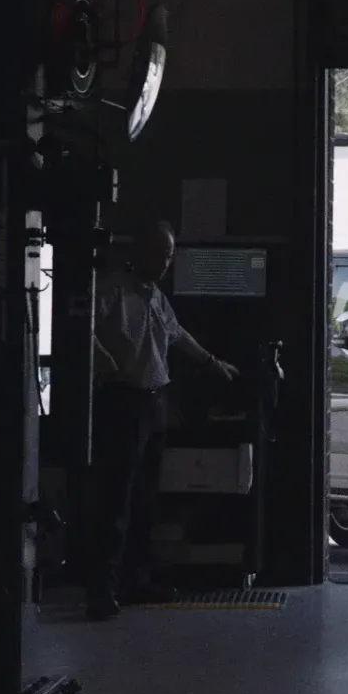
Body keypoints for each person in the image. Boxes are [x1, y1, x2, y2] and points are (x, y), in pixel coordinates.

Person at [87, 219, 239, 620]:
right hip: (122, 403)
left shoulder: (155, 297)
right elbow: (81, 328)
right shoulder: (111, 290)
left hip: (154, 403)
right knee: (116, 501)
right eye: (161, 253)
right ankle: (102, 589)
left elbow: (176, 335)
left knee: (144, 500)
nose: (167, 262)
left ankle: (136, 581)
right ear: (139, 252)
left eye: (170, 255)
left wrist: (212, 362)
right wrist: (104, 362)